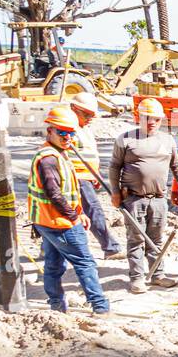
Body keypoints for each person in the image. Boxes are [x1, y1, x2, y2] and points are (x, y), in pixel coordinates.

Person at [27, 105, 111, 314]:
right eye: (62, 133)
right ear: (50, 131)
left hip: (48, 221)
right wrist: (75, 216)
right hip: (59, 222)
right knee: (85, 262)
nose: (67, 137)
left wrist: (79, 212)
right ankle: (100, 306)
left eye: (71, 133)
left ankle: (56, 305)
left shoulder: (58, 153)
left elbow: (67, 191)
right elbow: (54, 194)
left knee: (54, 264)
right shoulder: (48, 159)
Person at [108, 97, 178, 293]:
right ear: (139, 117)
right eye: (146, 117)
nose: (151, 122)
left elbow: (176, 165)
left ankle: (157, 275)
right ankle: (137, 279)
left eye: (156, 119)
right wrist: (115, 192)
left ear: (161, 120)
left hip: (158, 199)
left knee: (156, 238)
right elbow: (114, 167)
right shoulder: (125, 139)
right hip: (134, 198)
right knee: (136, 239)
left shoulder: (167, 140)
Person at [66, 91, 123, 260]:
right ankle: (110, 248)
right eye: (87, 114)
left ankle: (49, 248)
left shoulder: (84, 129)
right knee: (93, 210)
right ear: (74, 109)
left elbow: (89, 154)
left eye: (92, 115)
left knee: (73, 212)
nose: (90, 118)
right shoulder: (68, 129)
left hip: (87, 177)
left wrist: (96, 175)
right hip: (77, 177)